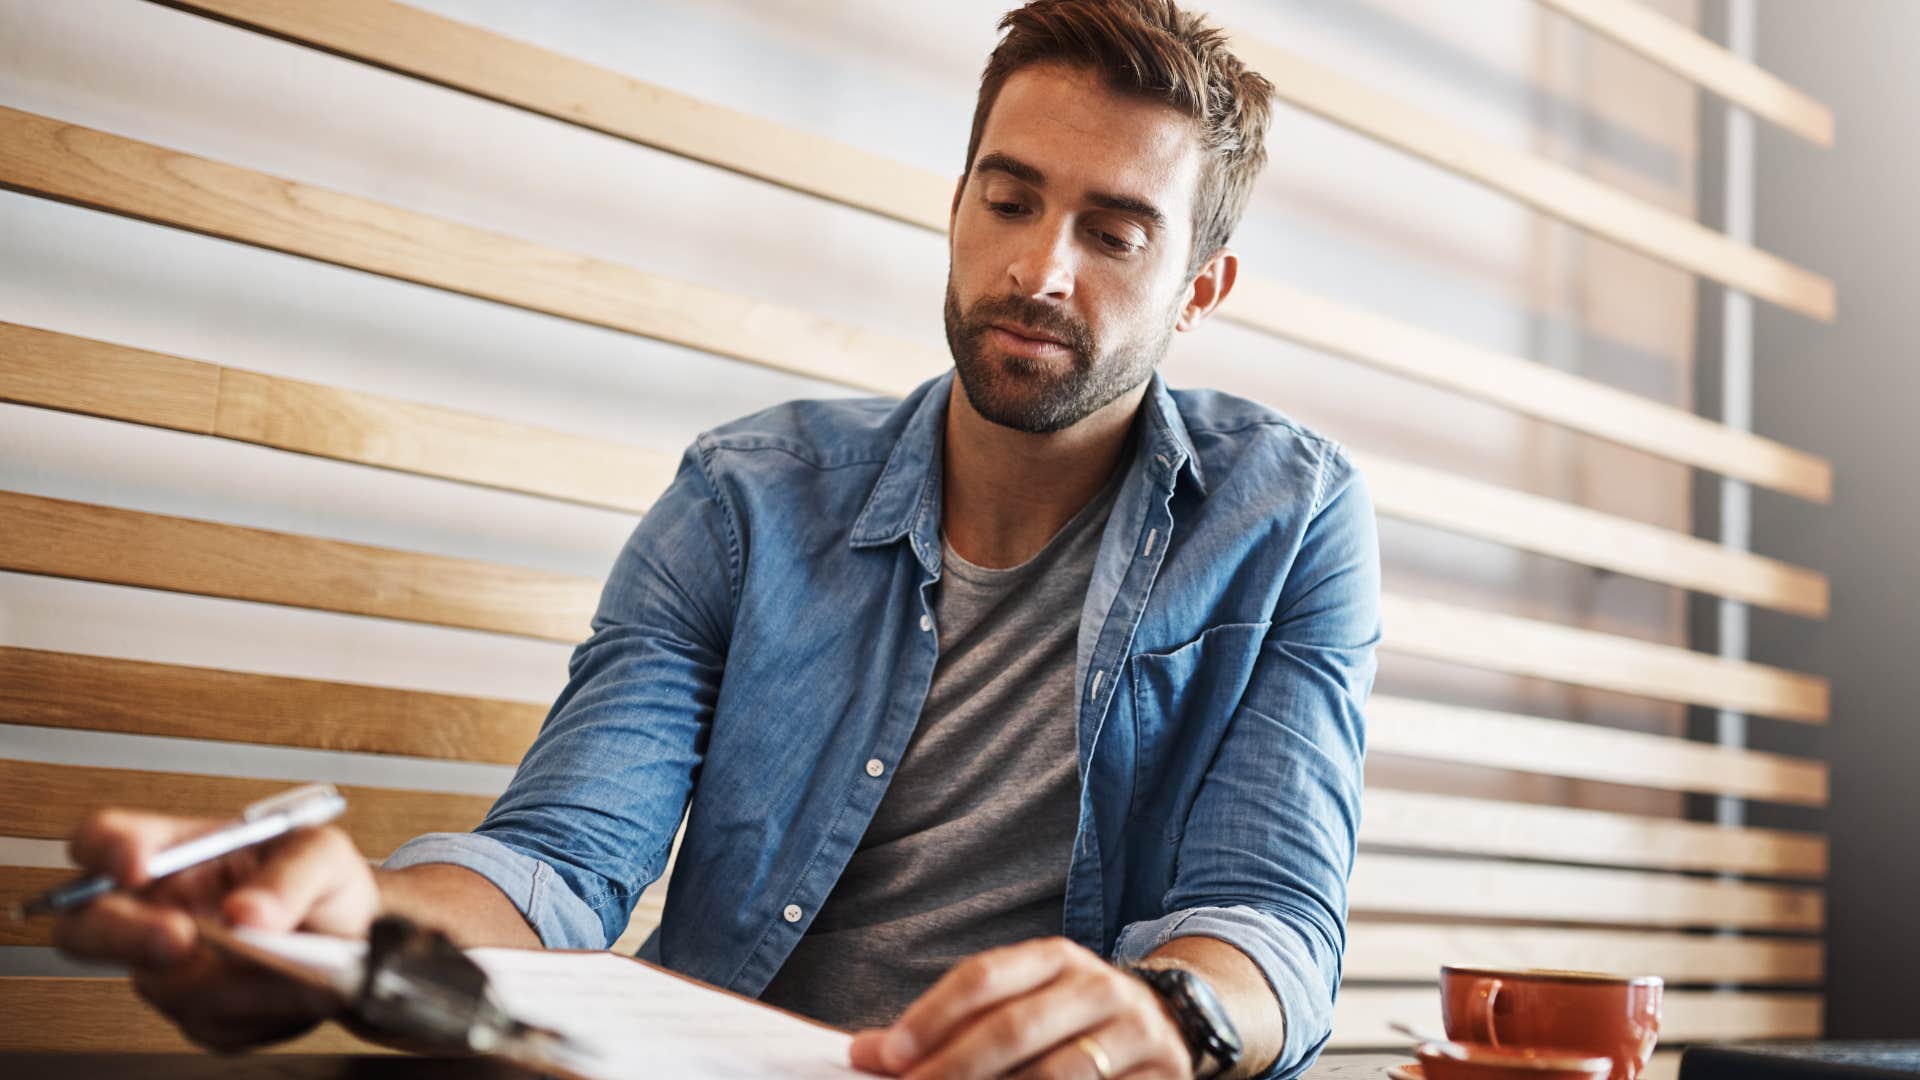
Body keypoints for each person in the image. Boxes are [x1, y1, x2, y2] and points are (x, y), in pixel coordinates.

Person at [52, 2, 1379, 1077]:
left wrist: (1169, 1019)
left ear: (1198, 289)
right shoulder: (747, 499)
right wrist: (354, 929)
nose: (1039, 269)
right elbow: (562, 861)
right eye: (1011, 198)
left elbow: (1266, 918)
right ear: (961, 201)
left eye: (1114, 233)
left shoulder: (1288, 520)